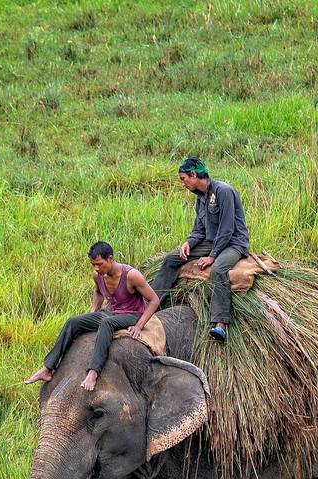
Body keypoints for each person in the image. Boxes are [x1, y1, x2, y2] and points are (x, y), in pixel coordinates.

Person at [25, 241, 161, 392]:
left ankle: (93, 372)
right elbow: (98, 292)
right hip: (111, 311)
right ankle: (47, 368)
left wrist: (139, 325)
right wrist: (93, 311)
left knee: (107, 324)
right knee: (73, 322)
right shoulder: (98, 275)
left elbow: (154, 300)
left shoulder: (131, 275)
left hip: (131, 314)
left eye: (99, 264)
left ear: (110, 259)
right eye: (93, 265)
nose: (96, 268)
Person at [152, 156, 250, 343]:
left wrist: (212, 257)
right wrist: (189, 242)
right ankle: (152, 304)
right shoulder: (200, 197)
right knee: (171, 259)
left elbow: (227, 229)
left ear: (193, 174)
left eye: (183, 179)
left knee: (219, 270)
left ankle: (220, 324)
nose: (183, 184)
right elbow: (199, 228)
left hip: (233, 243)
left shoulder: (224, 192)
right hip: (211, 241)